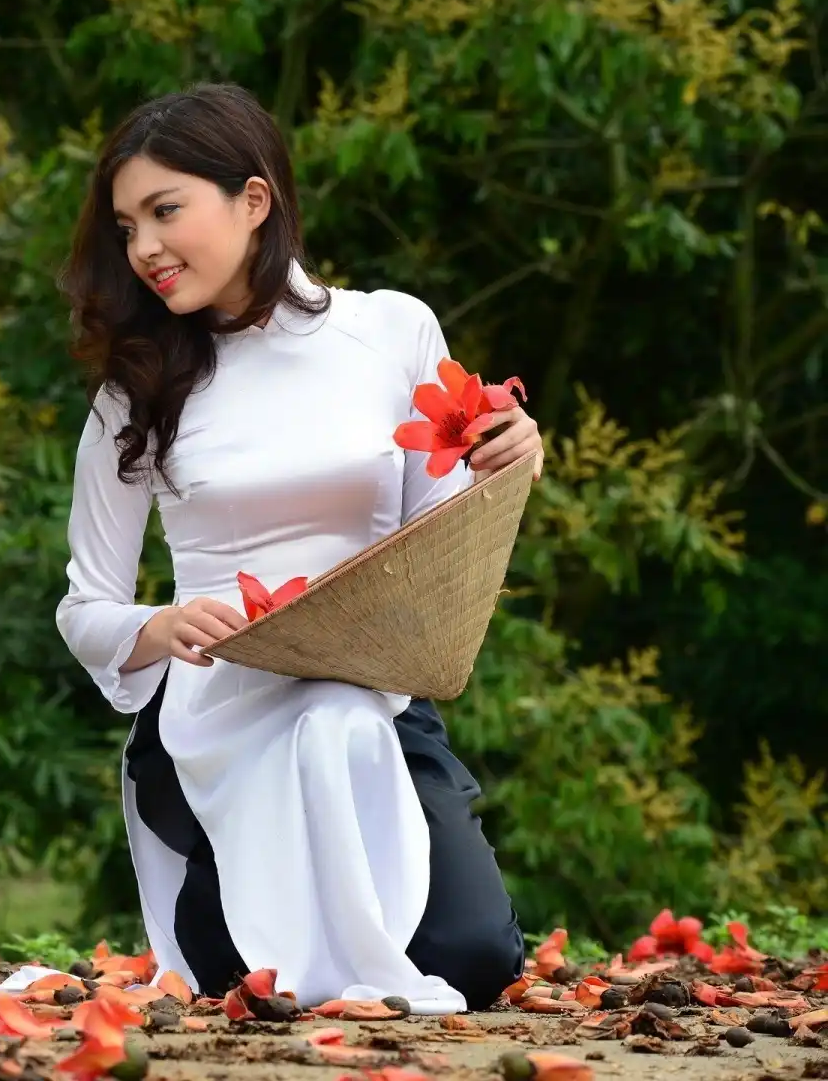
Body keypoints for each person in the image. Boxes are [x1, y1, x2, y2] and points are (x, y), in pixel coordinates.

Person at [53, 84, 543, 1015]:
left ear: (253, 200)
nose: (144, 248)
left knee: (474, 959)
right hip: (220, 714)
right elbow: (84, 609)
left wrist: (506, 458)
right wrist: (161, 623)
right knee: (253, 981)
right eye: (127, 226)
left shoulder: (390, 330)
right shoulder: (137, 389)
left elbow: (437, 540)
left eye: (165, 211)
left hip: (370, 701)